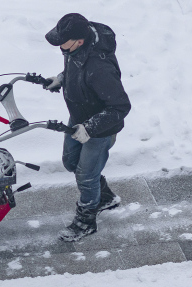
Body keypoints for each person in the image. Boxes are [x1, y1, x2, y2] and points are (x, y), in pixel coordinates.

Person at [43, 13, 131, 242]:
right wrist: (62, 78)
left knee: (86, 176)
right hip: (78, 116)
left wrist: (89, 128)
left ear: (78, 41)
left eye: (62, 41)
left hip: (99, 129)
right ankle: (104, 197)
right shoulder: (75, 47)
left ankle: (86, 220)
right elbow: (77, 68)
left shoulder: (100, 67)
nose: (59, 46)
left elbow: (120, 106)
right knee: (71, 162)